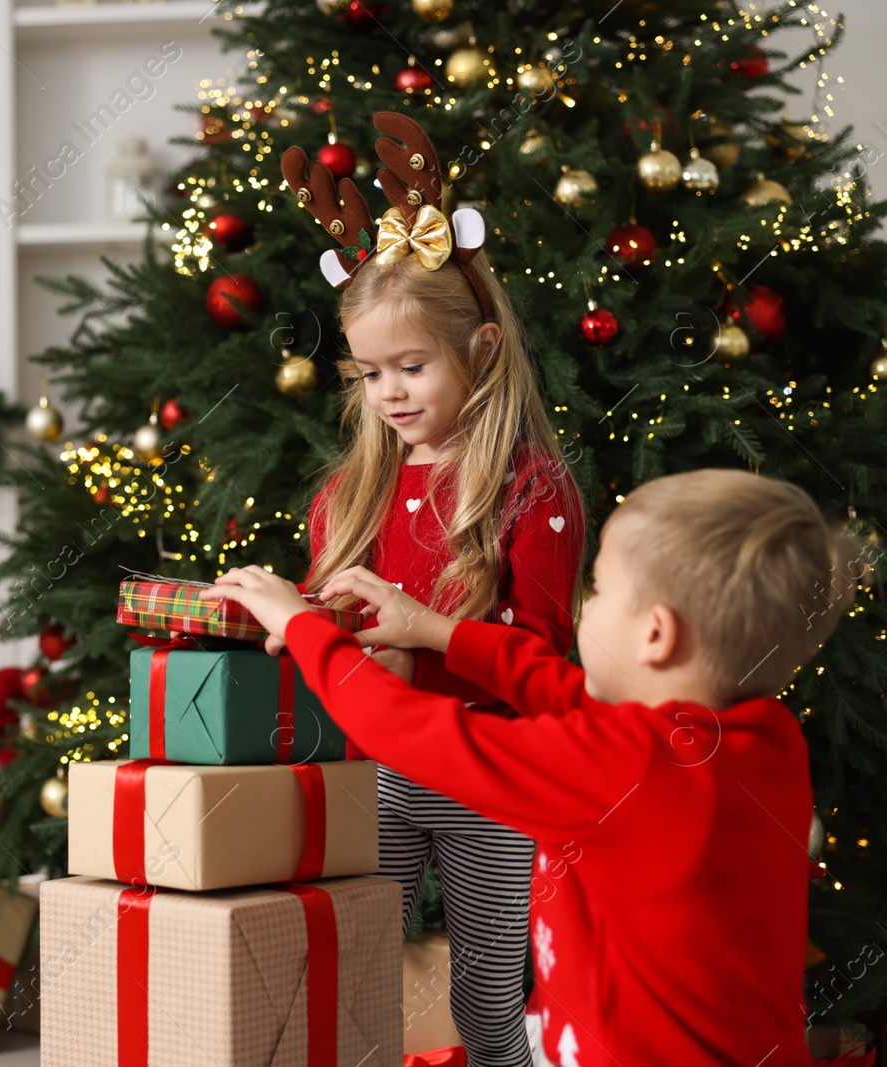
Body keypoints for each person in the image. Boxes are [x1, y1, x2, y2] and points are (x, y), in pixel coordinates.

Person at [203, 468, 851, 1067]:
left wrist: (303, 625)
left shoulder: (617, 768)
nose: (584, 608)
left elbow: (406, 729)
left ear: (656, 634)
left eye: (599, 588)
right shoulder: (760, 740)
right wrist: (434, 629)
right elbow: (564, 692)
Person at [280, 112, 585, 1065]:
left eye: (412, 367)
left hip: (491, 778)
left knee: (488, 999)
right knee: (355, 972)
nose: (390, 394)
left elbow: (543, 663)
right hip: (377, 775)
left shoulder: (534, 489)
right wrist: (283, 617)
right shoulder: (351, 490)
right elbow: (320, 619)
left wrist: (426, 638)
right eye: (370, 373)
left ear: (482, 351)